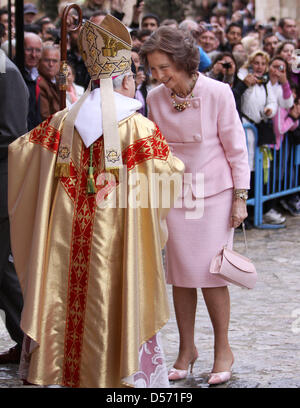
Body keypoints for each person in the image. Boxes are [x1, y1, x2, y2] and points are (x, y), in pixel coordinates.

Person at [8, 15, 184, 388]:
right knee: (118, 295)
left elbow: (19, 153)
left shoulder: (58, 124)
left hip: (63, 243)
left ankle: (57, 373)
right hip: (117, 244)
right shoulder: (138, 128)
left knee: (61, 291)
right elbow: (168, 177)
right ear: (124, 78)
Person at [140, 26, 250, 385]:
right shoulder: (155, 97)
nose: (159, 76)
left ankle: (223, 349)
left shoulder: (218, 92)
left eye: (163, 67)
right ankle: (187, 350)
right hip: (176, 195)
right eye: (154, 69)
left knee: (212, 273)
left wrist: (240, 198)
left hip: (215, 193)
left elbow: (236, 147)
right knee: (181, 275)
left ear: (182, 60)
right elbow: (154, 151)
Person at [0, 40, 29, 365]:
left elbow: (10, 135)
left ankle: (34, 341)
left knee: (5, 271)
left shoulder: (5, 73)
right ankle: (25, 340)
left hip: (3, 181)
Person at [23, 32, 43, 130]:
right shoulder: (16, 74)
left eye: (38, 50)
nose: (34, 55)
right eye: (29, 50)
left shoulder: (39, 74)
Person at [38, 45, 60, 121]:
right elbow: (45, 116)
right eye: (47, 60)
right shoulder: (40, 83)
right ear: (40, 61)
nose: (51, 64)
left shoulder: (58, 80)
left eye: (54, 61)